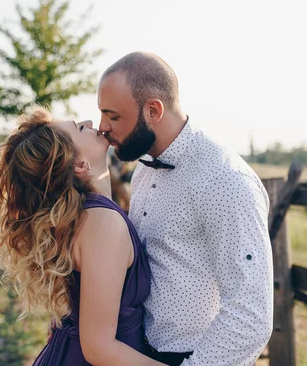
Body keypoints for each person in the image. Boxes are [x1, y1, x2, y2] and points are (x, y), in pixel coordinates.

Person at [97, 52, 274, 366]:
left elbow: (250, 314)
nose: (103, 127)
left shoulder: (225, 180)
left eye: (113, 116)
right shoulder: (143, 171)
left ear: (153, 110)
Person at [0, 109, 165, 365]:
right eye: (79, 128)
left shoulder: (85, 215)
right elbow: (98, 347)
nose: (90, 122)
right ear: (79, 164)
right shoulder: (102, 223)